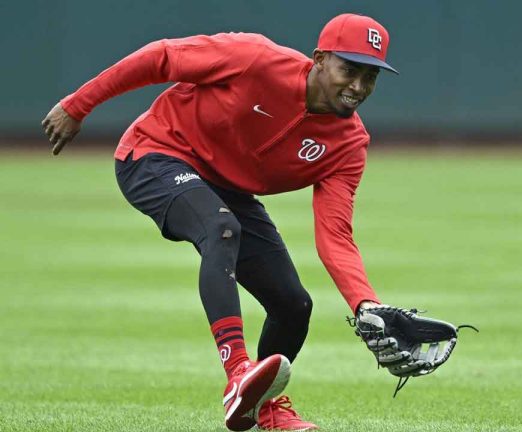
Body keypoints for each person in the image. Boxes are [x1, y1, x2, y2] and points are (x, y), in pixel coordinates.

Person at [41, 13, 398, 431]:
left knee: (293, 304)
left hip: (227, 189)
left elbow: (335, 236)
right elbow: (161, 57)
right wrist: (77, 105)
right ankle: (237, 375)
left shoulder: (349, 145)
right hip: (156, 152)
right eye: (349, 70)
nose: (358, 86)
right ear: (319, 58)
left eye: (370, 76)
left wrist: (366, 304)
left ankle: (263, 406)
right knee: (221, 228)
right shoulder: (255, 58)